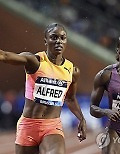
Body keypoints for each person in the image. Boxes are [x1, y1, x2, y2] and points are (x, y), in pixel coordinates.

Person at [0, 23, 86, 154]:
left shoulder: (72, 71)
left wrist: (81, 118)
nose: (59, 41)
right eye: (54, 37)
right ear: (45, 41)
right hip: (28, 126)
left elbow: (70, 98)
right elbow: (5, 56)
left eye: (63, 38)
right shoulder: (34, 61)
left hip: (52, 127)